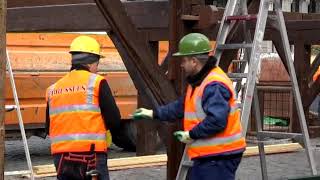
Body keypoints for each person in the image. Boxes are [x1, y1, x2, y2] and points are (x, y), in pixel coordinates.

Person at [133, 33, 246, 180]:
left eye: (183, 60)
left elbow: (217, 121)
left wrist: (191, 134)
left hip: (219, 156)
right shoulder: (200, 82)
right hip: (212, 156)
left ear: (194, 61)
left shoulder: (213, 84)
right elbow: (181, 107)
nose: (181, 65)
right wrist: (153, 113)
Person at [45, 35, 121, 180]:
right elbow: (114, 120)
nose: (97, 69)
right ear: (92, 63)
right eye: (97, 65)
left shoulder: (52, 89)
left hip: (61, 158)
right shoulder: (97, 82)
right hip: (91, 156)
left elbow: (48, 127)